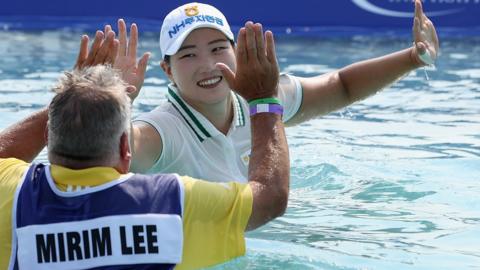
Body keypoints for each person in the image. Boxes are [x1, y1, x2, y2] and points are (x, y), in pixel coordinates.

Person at [0, 23, 289, 269]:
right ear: (127, 149)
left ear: (49, 137)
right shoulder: (169, 203)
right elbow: (270, 197)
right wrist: (263, 99)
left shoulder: (14, 195)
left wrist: (77, 95)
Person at [109, 0, 438, 182]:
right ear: (167, 69)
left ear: (236, 50)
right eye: (189, 55)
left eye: (218, 48)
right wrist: (117, 99)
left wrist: (413, 57)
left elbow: (342, 86)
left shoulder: (258, 95)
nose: (207, 65)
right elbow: (111, 154)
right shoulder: (162, 131)